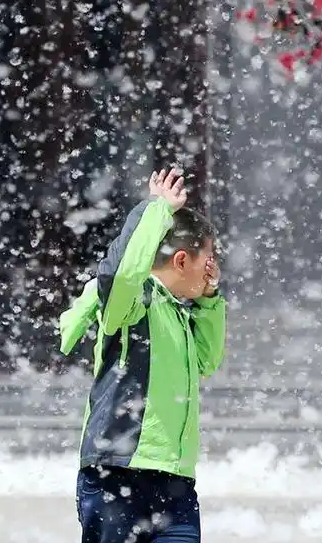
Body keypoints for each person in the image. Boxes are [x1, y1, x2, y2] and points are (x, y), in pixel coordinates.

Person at [58, 168, 226, 543]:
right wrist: (156, 211)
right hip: (117, 475)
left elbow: (207, 360)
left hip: (175, 483)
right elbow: (119, 274)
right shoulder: (134, 304)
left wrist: (210, 301)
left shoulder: (181, 313)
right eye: (208, 259)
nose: (214, 268)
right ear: (182, 260)